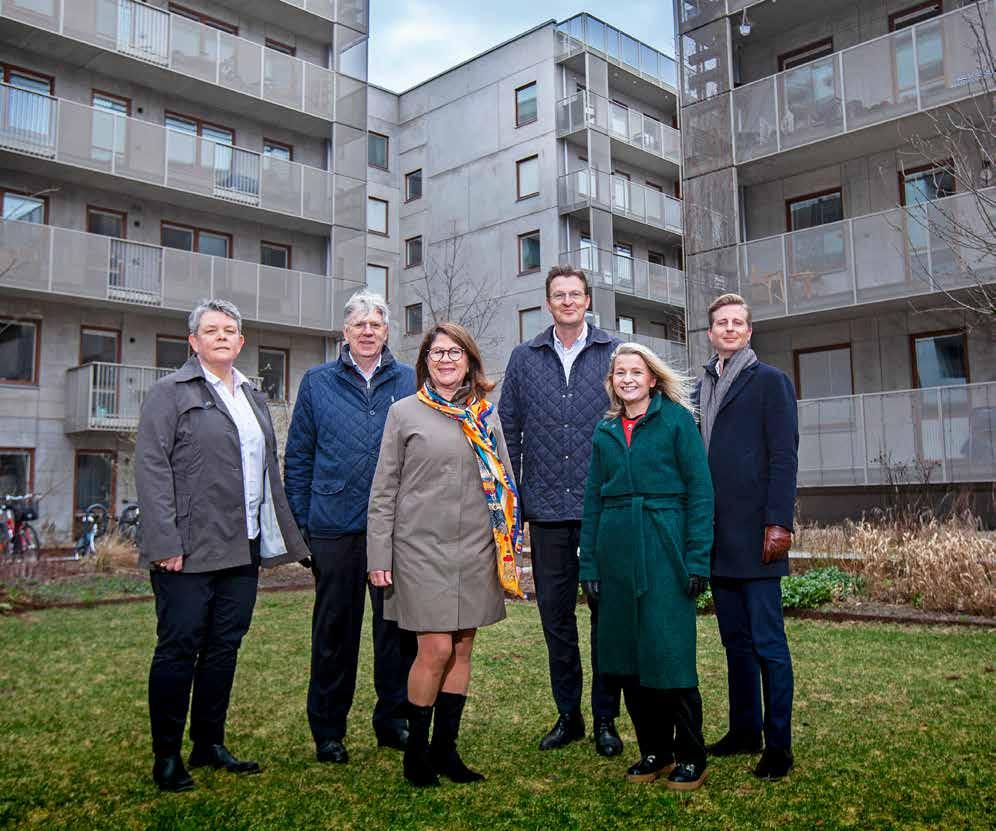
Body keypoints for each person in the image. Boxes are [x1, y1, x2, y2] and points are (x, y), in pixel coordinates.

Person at [136, 298, 310, 792]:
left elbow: (264, 470)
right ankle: (166, 755)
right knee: (179, 649)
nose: (220, 336)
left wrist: (281, 537)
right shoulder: (169, 393)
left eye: (229, 330)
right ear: (193, 341)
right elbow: (150, 469)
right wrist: (164, 541)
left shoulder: (252, 396)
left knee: (223, 649)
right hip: (187, 550)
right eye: (210, 329)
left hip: (243, 547)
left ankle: (209, 743)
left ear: (241, 342)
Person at [367, 322, 523, 788]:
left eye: (455, 352)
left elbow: (505, 481)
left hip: (475, 549)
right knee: (433, 648)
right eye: (437, 352)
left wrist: (509, 542)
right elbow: (383, 491)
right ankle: (416, 751)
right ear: (425, 361)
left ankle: (446, 751)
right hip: (419, 550)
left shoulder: (485, 415)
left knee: (462, 647)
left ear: (470, 361)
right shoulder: (403, 413)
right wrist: (379, 553)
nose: (446, 359)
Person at [284, 290, 417, 764]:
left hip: (396, 530)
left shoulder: (408, 380)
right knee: (334, 634)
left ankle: (393, 720)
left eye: (375, 324)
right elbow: (297, 458)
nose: (367, 331)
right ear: (345, 332)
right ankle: (328, 730)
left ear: (386, 331)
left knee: (395, 632)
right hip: (334, 528)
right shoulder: (317, 383)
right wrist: (303, 527)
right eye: (358, 324)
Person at [498, 264, 624, 756]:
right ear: (548, 303)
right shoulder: (524, 359)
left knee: (606, 617)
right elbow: (507, 432)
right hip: (546, 511)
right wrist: (514, 503)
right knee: (556, 619)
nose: (568, 301)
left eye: (576, 294)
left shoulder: (614, 353)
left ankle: (605, 720)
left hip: (602, 510)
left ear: (588, 301)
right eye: (559, 295)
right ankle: (568, 716)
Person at [579, 343, 714, 791]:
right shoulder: (605, 430)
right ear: (612, 382)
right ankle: (653, 750)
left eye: (636, 371)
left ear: (652, 378)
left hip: (664, 546)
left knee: (668, 653)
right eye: (620, 373)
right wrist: (590, 565)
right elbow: (593, 500)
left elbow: (700, 492)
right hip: (616, 551)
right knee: (628, 659)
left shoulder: (677, 421)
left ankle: (691, 754)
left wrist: (696, 557)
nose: (628, 379)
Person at [695, 293, 798, 781]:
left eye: (738, 322)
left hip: (759, 537)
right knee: (734, 643)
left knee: (767, 644)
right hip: (717, 538)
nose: (730, 329)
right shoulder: (700, 388)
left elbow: (784, 457)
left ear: (749, 331)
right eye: (721, 323)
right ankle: (744, 730)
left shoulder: (770, 382)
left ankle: (778, 746)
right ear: (711, 332)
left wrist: (779, 523)